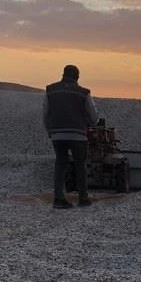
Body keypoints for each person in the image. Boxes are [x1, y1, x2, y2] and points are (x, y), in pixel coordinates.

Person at [43, 64, 98, 208]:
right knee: (80, 165)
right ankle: (83, 198)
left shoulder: (51, 90)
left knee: (60, 164)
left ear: (63, 75)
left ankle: (59, 199)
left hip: (57, 135)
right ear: (77, 77)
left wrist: (49, 129)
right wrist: (91, 124)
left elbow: (45, 112)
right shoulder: (84, 93)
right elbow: (93, 115)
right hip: (78, 135)